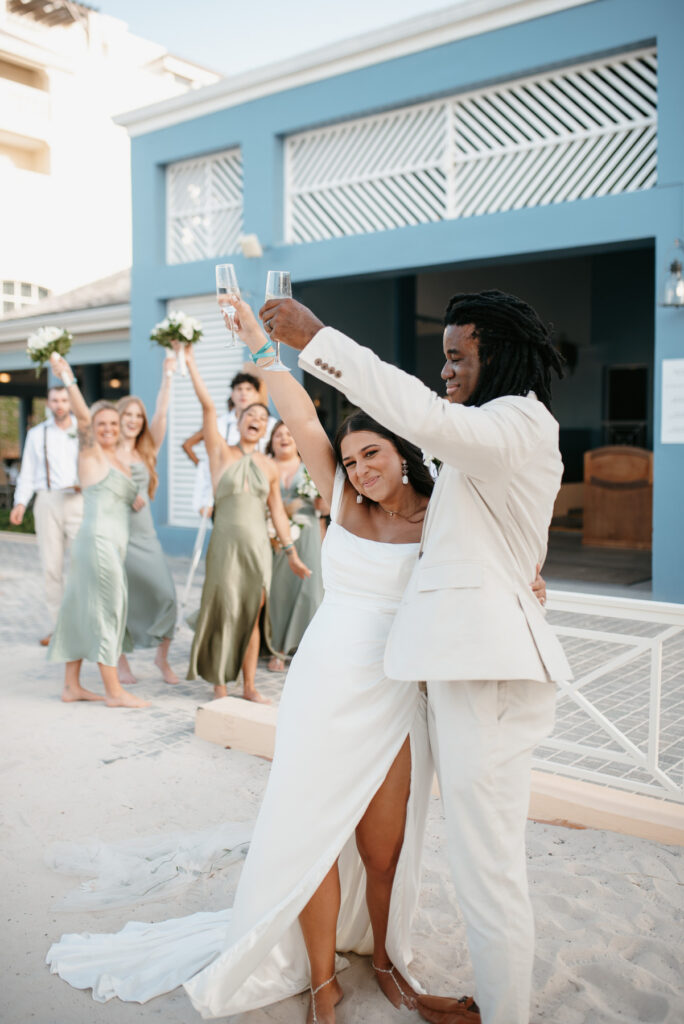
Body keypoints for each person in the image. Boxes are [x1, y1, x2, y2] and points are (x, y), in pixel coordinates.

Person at [45, 302, 545, 1023]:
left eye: (372, 454)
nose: (360, 469)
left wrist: (529, 576)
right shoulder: (341, 497)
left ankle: (387, 963)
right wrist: (260, 344)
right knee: (314, 836)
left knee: (385, 848)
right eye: (351, 459)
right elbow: (302, 414)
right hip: (324, 685)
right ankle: (320, 981)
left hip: (397, 693)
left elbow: (503, 545)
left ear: (404, 452)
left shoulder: (443, 515)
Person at [257, 288, 573, 1024]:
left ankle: (504, 1013)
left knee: (488, 864)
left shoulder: (518, 419)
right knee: (476, 860)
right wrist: (523, 572)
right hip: (442, 672)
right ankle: (491, 1001)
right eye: (443, 358)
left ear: (500, 354)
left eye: (458, 356)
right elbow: (488, 534)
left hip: (488, 672)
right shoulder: (485, 437)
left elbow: (425, 421)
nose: (445, 371)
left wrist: (318, 338)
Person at [182, 342, 310, 703]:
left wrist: (292, 553)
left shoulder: (269, 466)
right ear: (237, 421)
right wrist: (189, 362)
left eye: (262, 417)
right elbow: (208, 407)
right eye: (249, 414)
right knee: (225, 610)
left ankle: (250, 686)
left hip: (258, 548)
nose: (256, 419)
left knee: (253, 616)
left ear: (265, 428)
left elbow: (278, 514)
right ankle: (220, 685)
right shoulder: (220, 453)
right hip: (225, 545)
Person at [46, 354, 149, 709]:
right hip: (98, 543)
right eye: (101, 423)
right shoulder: (91, 454)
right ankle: (114, 692)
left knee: (79, 609)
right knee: (109, 610)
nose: (107, 428)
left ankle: (71, 686)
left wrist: (133, 497)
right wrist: (68, 378)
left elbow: (120, 493)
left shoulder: (120, 459)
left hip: (107, 545)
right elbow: (83, 419)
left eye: (113, 423)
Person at [115, 357, 180, 687]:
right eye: (128, 415)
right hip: (116, 535)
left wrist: (167, 376)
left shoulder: (145, 450)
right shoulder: (106, 451)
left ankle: (161, 658)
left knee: (166, 595)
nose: (133, 420)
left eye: (138, 416)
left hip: (145, 537)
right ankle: (120, 663)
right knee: (118, 601)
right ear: (118, 418)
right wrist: (125, 493)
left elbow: (162, 415)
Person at [10, 383, 83, 645]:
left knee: (82, 564)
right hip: (48, 500)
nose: (59, 405)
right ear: (48, 403)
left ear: (70, 402)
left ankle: (81, 624)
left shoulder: (83, 430)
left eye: (64, 400)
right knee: (51, 567)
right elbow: (28, 473)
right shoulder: (37, 434)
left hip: (79, 500)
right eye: (55, 400)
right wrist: (20, 503)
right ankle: (59, 628)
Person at [265, 420, 325, 671]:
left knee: (310, 591)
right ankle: (277, 648)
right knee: (278, 591)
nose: (284, 438)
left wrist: (322, 496)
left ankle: (308, 647)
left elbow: (324, 509)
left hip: (308, 532)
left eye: (289, 434)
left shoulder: (310, 467)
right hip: (273, 534)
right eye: (278, 434)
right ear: (271, 441)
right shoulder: (264, 466)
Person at [182, 370, 277, 516]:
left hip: (258, 496)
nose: (243, 393)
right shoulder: (219, 424)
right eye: (239, 389)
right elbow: (193, 449)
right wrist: (203, 465)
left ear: (257, 395)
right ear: (232, 394)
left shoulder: (271, 425)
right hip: (223, 496)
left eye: (248, 389)